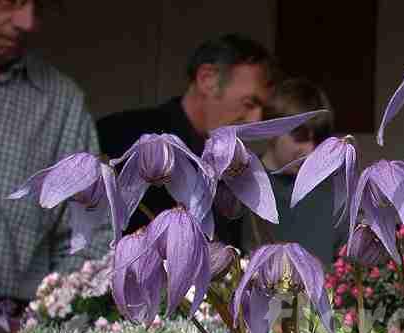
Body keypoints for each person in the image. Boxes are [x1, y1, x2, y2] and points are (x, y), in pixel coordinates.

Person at [97, 33, 275, 246]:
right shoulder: (120, 133)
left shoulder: (233, 161)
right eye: (249, 103)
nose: (256, 120)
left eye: (264, 110)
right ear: (207, 79)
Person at [0, 0, 109, 328]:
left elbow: (91, 235)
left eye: (37, 5)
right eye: (10, 1)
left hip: (10, 328)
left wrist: (42, 320)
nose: (27, 22)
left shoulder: (59, 100)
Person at [245, 77, 344, 266]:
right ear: (272, 130)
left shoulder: (334, 193)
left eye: (319, 139)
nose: (310, 150)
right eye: (300, 136)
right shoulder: (242, 183)